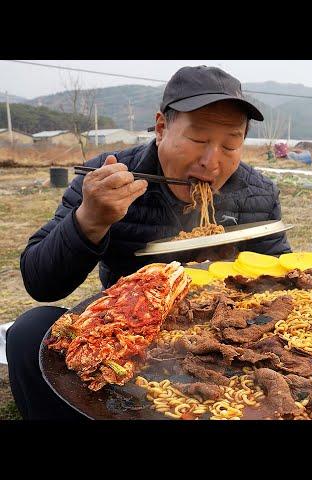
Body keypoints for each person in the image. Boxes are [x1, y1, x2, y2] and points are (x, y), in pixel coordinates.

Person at [7, 65, 291, 419]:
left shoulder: (257, 192)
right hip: (125, 326)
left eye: (230, 144)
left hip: (225, 337)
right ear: (161, 128)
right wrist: (89, 221)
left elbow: (287, 281)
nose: (211, 161)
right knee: (30, 331)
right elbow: (41, 282)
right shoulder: (108, 177)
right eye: (199, 140)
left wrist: (241, 270)